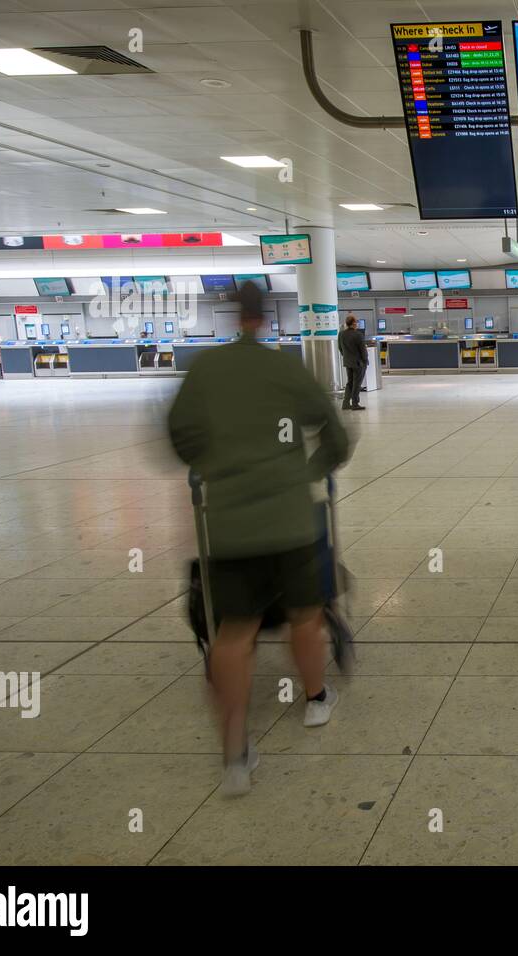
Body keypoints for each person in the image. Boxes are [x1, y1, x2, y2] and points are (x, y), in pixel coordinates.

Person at [168, 280, 350, 796]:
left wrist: (219, 467)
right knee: (305, 615)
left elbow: (180, 436)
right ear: (265, 318)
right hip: (291, 519)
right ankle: (316, 700)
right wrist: (306, 471)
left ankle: (234, 754)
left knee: (234, 632)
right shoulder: (284, 368)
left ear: (231, 316)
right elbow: (335, 436)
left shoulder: (205, 370)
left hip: (228, 525)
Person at [337, 314, 368, 410]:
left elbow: (340, 348)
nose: (357, 324)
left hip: (348, 362)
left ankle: (345, 403)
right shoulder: (358, 335)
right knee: (357, 384)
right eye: (356, 322)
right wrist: (365, 361)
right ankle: (355, 403)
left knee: (349, 383)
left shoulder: (341, 334)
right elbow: (363, 350)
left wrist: (346, 356)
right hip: (358, 363)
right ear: (354, 323)